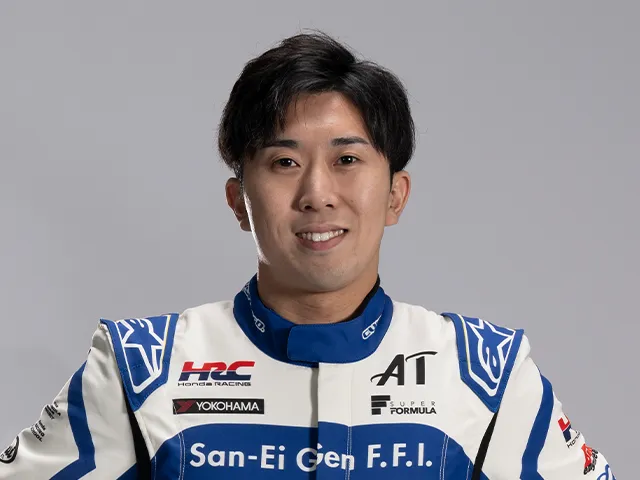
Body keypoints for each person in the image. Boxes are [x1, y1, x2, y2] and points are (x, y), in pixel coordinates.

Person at [0, 32, 615, 480]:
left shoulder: (487, 371)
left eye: (347, 159)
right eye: (285, 162)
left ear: (395, 194)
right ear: (239, 201)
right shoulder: (140, 366)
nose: (317, 193)